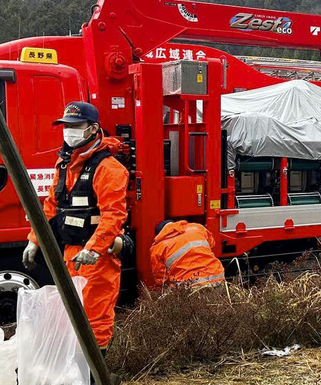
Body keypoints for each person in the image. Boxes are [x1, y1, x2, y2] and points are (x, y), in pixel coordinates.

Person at [22, 101, 129, 352]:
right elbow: (50, 206)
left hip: (97, 257)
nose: (68, 131)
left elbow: (113, 215)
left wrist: (93, 249)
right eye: (65, 126)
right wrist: (34, 239)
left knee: (95, 316)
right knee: (69, 315)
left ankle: (96, 374)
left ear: (92, 129)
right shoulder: (65, 165)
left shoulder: (108, 168)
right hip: (71, 251)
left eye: (75, 126)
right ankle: (77, 370)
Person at [149, 220, 225, 290]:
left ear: (160, 234)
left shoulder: (157, 248)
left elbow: (161, 279)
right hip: (216, 277)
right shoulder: (197, 228)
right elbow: (212, 244)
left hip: (187, 287)